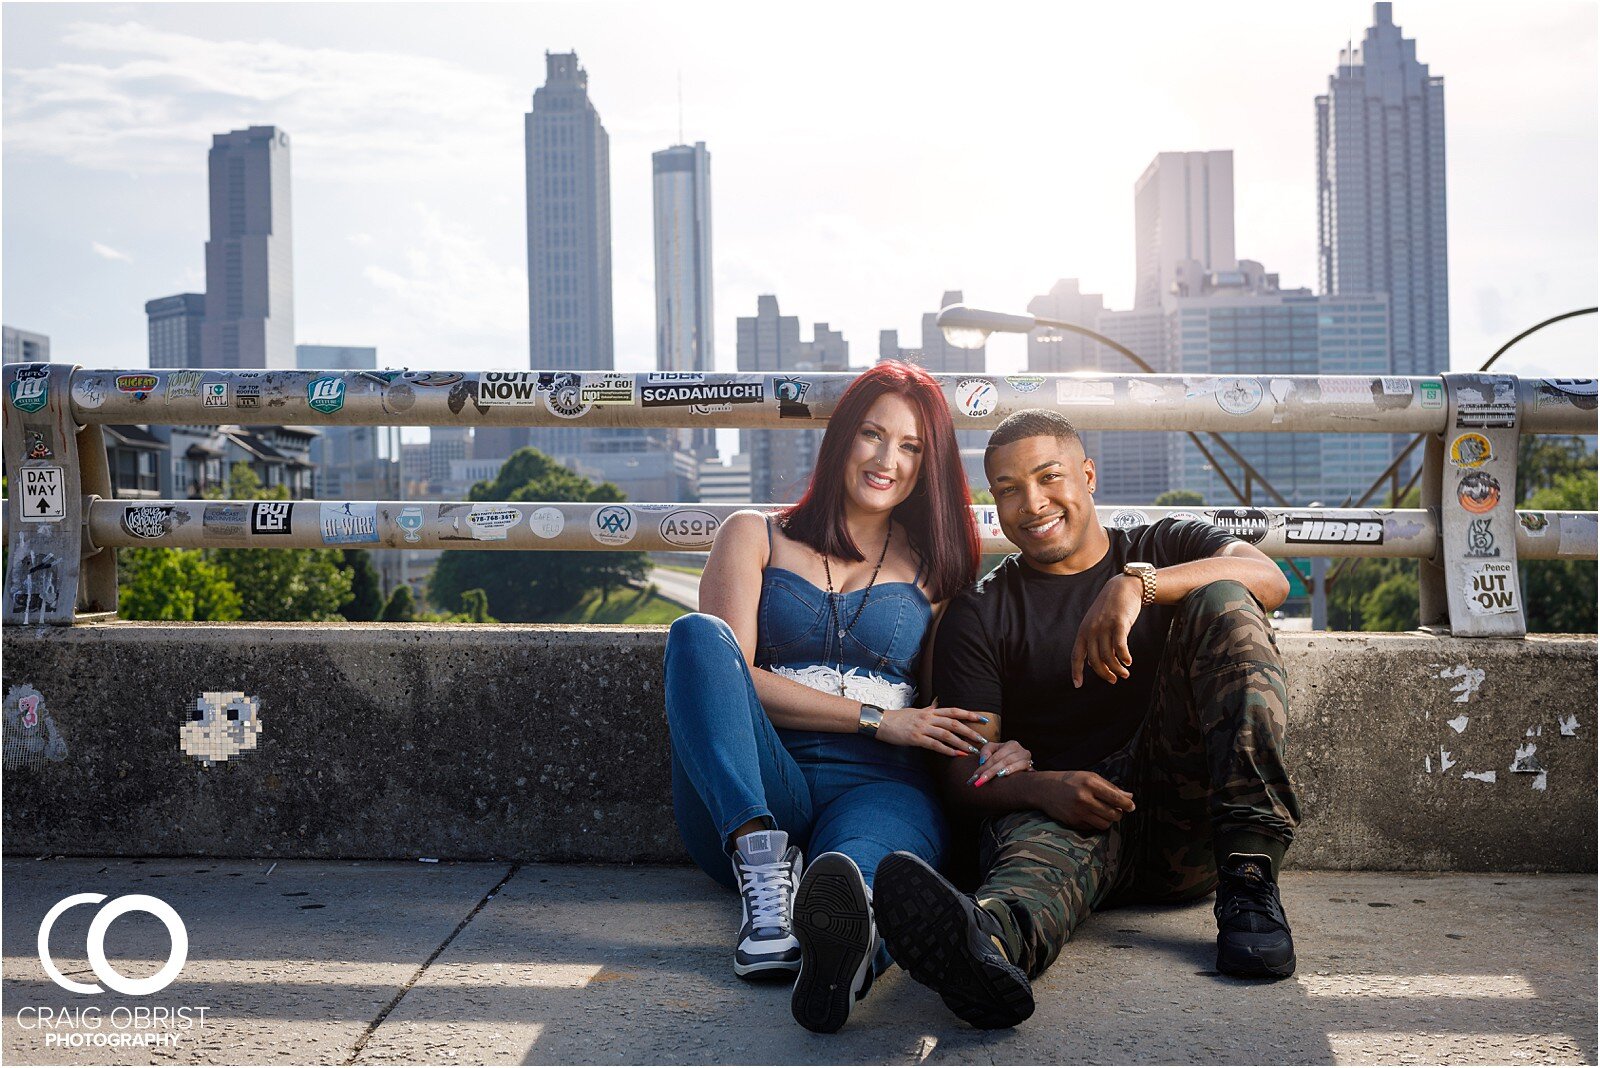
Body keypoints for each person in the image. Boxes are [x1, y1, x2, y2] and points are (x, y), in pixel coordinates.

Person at [874, 408, 1302, 1030]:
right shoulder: (983, 612)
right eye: (1009, 490)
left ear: (1088, 475)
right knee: (1023, 873)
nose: (1033, 503)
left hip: (1190, 825)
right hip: (1073, 820)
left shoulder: (1165, 546)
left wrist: (1136, 588)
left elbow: (1270, 577)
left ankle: (1252, 880)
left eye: (1049, 477)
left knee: (1227, 600)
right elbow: (964, 771)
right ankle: (986, 948)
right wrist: (1043, 785)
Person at [662, 361, 1031, 1034]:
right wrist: (877, 719)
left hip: (880, 786)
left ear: (928, 462)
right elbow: (728, 675)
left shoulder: (936, 567)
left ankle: (847, 953)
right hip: (757, 780)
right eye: (871, 434)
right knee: (696, 635)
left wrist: (1005, 741)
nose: (888, 459)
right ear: (841, 439)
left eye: (911, 446)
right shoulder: (754, 535)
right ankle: (764, 880)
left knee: (864, 877)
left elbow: (958, 696)